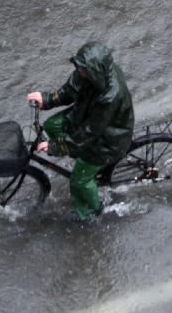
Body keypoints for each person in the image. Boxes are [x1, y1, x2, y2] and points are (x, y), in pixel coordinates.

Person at [27, 41, 135, 221]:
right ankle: (77, 157)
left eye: (83, 69)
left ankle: (92, 212)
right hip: (86, 116)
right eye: (79, 68)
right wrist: (46, 100)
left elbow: (89, 133)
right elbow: (69, 91)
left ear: (94, 70)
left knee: (79, 181)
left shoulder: (110, 96)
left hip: (107, 141)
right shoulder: (89, 73)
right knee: (52, 126)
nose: (79, 72)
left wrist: (56, 146)